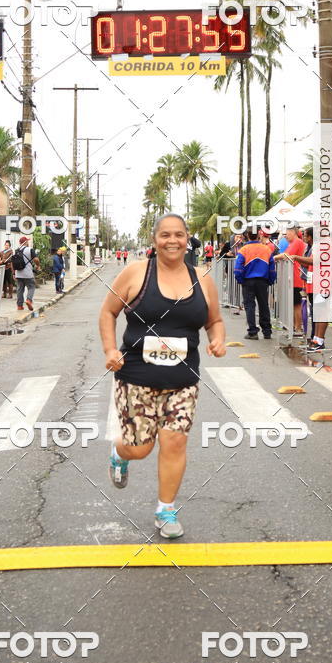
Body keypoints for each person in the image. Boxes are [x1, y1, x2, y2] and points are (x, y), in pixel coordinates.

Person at [99, 213, 226, 539]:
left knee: (174, 442)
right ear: (155, 239)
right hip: (136, 377)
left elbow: (214, 320)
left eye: (179, 235)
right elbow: (108, 312)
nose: (173, 241)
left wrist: (217, 339)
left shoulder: (202, 278)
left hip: (183, 381)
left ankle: (165, 509)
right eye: (166, 235)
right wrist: (110, 350)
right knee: (140, 448)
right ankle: (120, 452)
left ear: (188, 239)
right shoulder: (136, 273)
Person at [234, 228, 276, 340]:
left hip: (248, 281)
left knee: (249, 306)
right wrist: (270, 280)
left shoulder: (243, 250)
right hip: (262, 281)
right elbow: (272, 268)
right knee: (264, 306)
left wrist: (240, 280)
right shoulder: (266, 249)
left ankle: (252, 332)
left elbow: (237, 269)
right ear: (258, 235)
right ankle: (267, 332)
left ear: (247, 235)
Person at [274, 225, 306, 336]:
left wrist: (274, 258)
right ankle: (294, 326)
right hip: (292, 276)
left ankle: (298, 328)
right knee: (293, 303)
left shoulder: (297, 242)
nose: (285, 236)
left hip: (295, 277)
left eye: (287, 233)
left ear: (293, 232)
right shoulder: (293, 243)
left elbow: (286, 256)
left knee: (296, 304)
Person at [14, 235, 40, 311]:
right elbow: (36, 259)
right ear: (26, 242)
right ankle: (29, 300)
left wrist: (13, 273)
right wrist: (38, 265)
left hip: (18, 273)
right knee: (31, 287)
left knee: (20, 289)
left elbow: (13, 262)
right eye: (27, 241)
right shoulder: (30, 250)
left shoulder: (16, 250)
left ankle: (19, 306)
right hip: (28, 273)